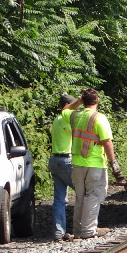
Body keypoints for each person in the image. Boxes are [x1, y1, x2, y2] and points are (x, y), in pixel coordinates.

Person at [68, 88, 123, 240]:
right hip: (95, 164)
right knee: (94, 195)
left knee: (80, 196)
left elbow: (64, 110)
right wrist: (114, 164)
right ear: (97, 101)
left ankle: (78, 230)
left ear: (83, 101)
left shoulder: (74, 116)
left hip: (77, 164)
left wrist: (77, 102)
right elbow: (107, 142)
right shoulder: (99, 118)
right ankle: (88, 230)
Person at [48, 93, 82, 241]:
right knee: (84, 192)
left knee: (59, 200)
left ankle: (58, 234)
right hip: (65, 161)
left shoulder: (57, 120)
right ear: (66, 107)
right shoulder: (65, 119)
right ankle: (83, 229)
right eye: (74, 106)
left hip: (54, 160)